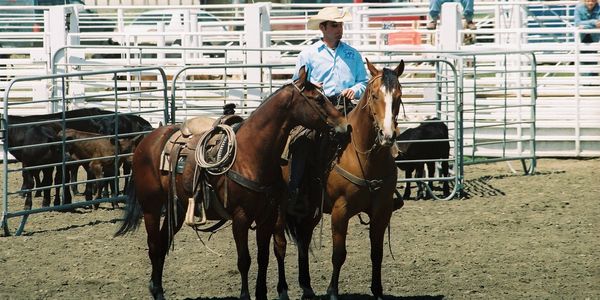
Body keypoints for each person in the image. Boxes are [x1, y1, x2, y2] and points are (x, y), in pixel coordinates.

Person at [286, 6, 368, 216]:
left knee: (374, 137)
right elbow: (297, 83)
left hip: (347, 107)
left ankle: (383, 189)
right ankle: (294, 190)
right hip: (318, 109)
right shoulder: (309, 53)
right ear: (322, 28)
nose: (339, 29)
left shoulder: (352, 54)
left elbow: (363, 82)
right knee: (301, 141)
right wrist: (313, 87)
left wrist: (354, 89)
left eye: (340, 25)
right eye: (334, 25)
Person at [574, 0, 600, 78]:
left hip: (594, 37)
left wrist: (584, 25)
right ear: (584, 1)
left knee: (593, 58)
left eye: (592, 1)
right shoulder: (578, 8)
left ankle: (593, 81)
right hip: (582, 37)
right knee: (583, 59)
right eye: (588, 1)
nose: (590, 3)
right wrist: (593, 22)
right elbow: (577, 23)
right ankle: (584, 81)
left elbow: (599, 24)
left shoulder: (599, 8)